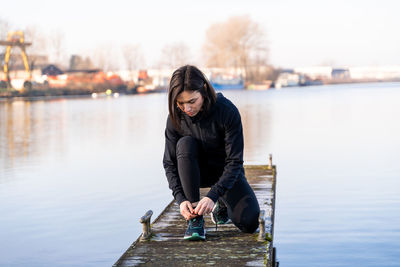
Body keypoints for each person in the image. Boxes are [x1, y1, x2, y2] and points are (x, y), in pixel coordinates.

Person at [163, 65, 260, 241]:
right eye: (180, 102)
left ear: (204, 90)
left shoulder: (227, 111)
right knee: (185, 144)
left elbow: (235, 162)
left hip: (225, 173)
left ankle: (222, 203)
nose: (187, 108)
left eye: (192, 101)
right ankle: (195, 219)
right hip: (194, 172)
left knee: (250, 223)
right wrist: (180, 199)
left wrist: (213, 196)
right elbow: (169, 163)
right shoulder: (175, 117)